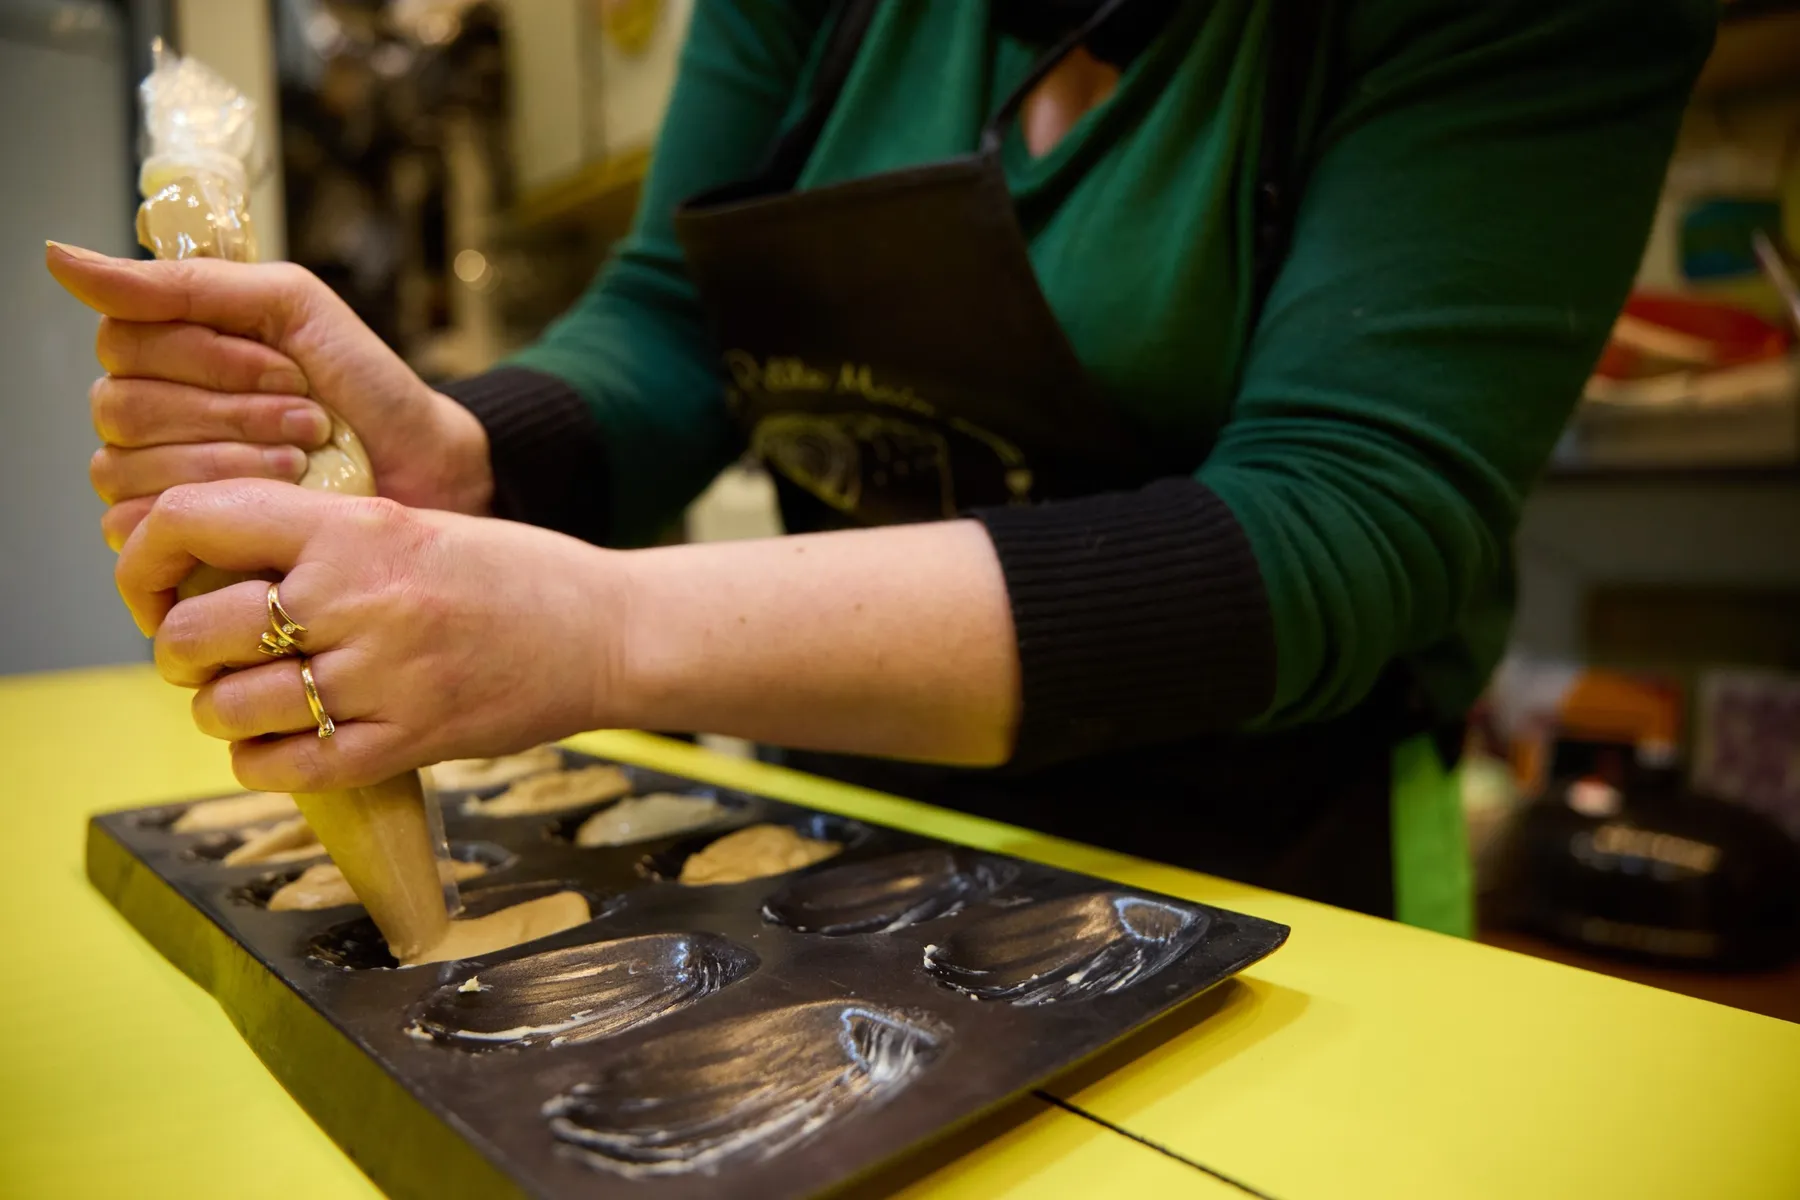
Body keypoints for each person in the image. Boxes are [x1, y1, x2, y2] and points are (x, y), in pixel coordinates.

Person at [47, 0, 1712, 935]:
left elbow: (1341, 527)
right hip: (848, 808)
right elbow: (680, 316)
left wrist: (605, 630)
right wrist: (462, 456)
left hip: (1274, 847)